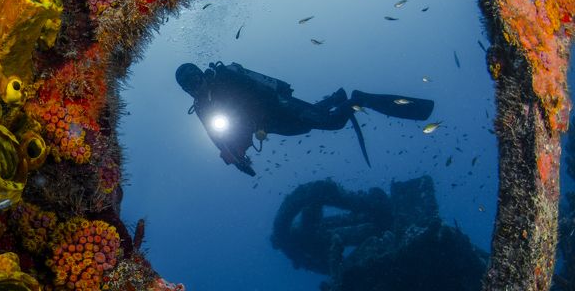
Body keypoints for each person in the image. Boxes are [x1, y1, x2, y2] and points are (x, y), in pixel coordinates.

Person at [175, 61, 435, 176]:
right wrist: (235, 157)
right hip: (271, 125)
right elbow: (218, 136)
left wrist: (264, 110)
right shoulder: (202, 108)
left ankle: (359, 98)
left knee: (332, 123)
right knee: (307, 126)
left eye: (195, 78)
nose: (194, 85)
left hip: (279, 105)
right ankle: (336, 98)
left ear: (201, 74)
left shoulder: (224, 77)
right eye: (188, 85)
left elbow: (257, 89)